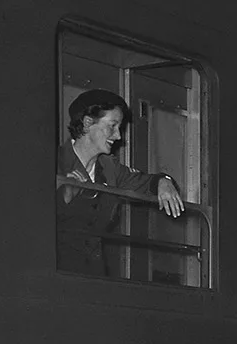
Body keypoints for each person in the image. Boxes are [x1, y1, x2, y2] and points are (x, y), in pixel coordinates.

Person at [57, 89, 185, 276]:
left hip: (94, 275)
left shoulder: (110, 170)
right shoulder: (53, 162)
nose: (118, 136)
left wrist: (163, 182)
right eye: (112, 126)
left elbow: (147, 182)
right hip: (55, 274)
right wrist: (65, 195)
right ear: (87, 123)